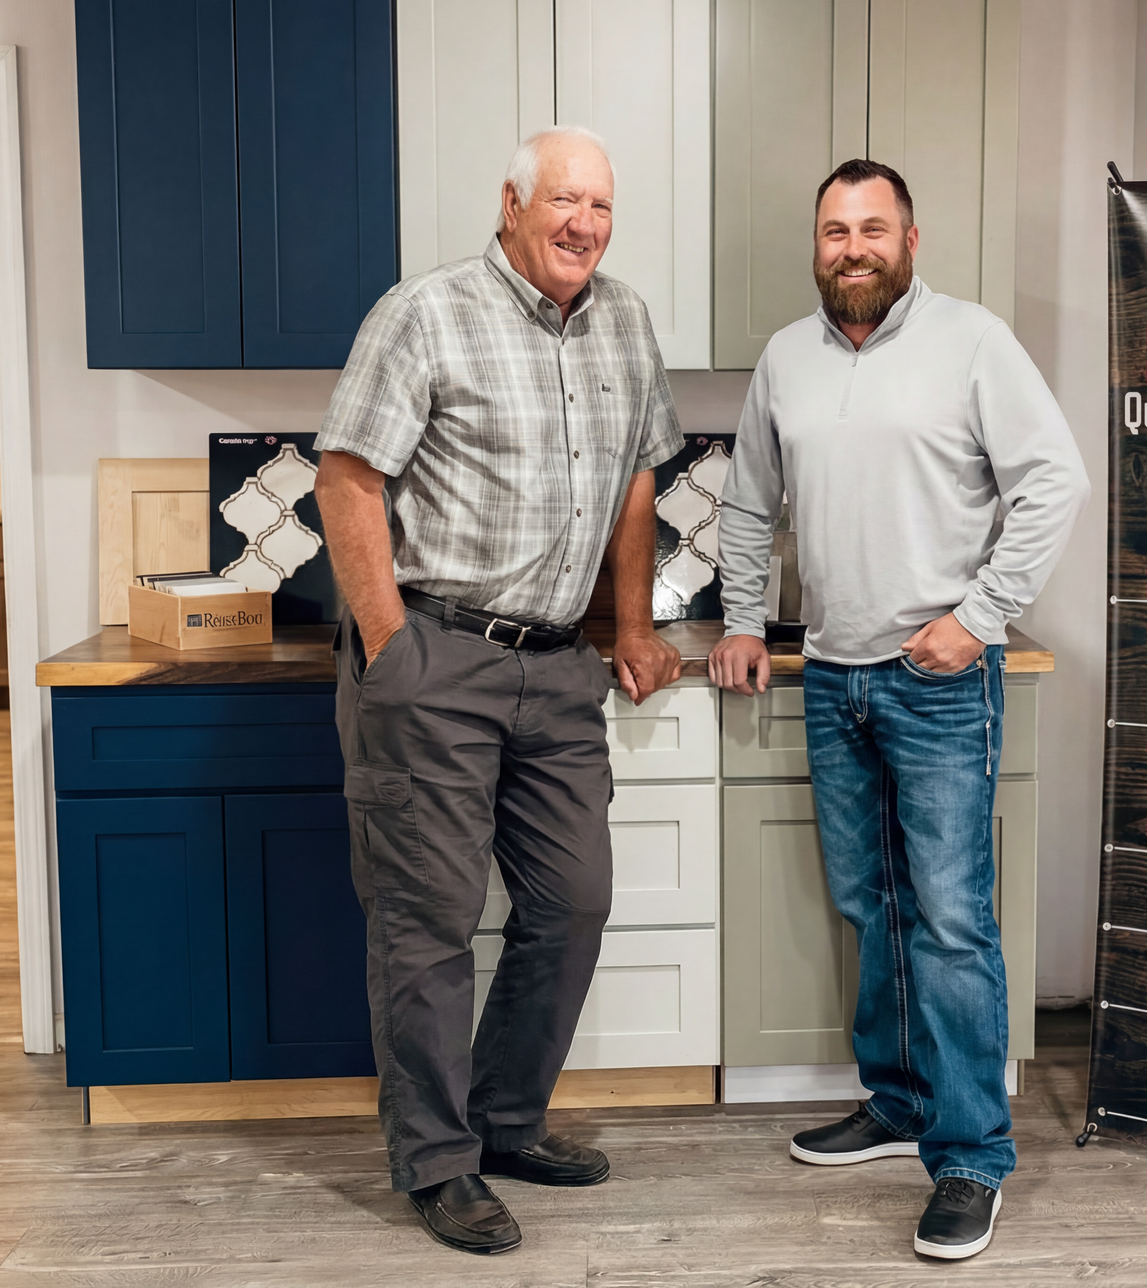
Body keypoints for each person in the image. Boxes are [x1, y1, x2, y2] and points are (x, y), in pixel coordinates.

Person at [313, 125, 685, 1257]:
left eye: (603, 207)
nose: (584, 224)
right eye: (565, 201)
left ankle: (507, 1122)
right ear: (513, 204)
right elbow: (346, 474)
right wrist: (391, 646)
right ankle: (436, 1160)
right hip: (437, 654)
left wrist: (628, 620)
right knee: (426, 925)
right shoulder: (425, 312)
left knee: (573, 901)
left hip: (559, 668)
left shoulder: (622, 318)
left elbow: (635, 476)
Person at [711, 158, 1089, 1261]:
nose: (853, 247)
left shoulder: (971, 341)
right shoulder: (787, 358)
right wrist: (741, 619)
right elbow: (746, 501)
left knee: (951, 920)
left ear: (912, 240)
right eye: (835, 230)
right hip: (833, 677)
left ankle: (972, 1152)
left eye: (874, 227)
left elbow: (1052, 481)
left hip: (935, 681)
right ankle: (900, 1100)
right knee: (871, 905)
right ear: (817, 245)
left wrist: (980, 617)